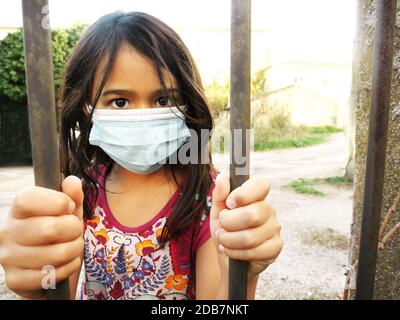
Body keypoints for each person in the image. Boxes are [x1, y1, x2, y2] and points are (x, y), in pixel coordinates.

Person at [0, 11, 282, 300]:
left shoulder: (209, 198)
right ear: (87, 106)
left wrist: (241, 274)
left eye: (163, 99)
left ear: (186, 101)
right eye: (120, 102)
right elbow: (57, 289)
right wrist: (39, 286)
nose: (143, 117)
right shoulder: (81, 190)